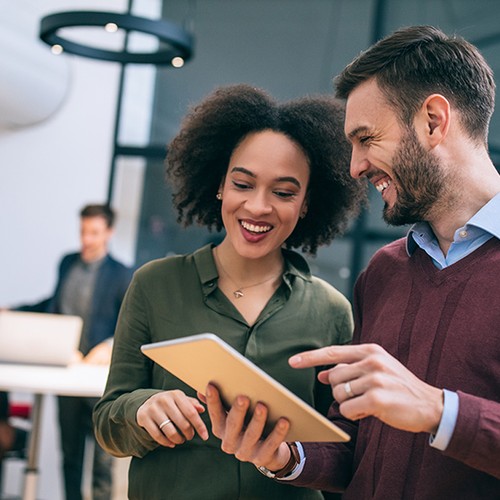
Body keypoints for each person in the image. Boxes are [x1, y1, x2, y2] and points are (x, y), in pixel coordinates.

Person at [204, 25, 500, 499]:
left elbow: (427, 410)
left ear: (433, 120)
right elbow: (357, 445)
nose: (355, 167)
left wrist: (438, 411)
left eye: (366, 138)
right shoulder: (384, 273)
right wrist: (284, 456)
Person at [93, 84, 365, 500]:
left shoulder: (331, 311)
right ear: (219, 184)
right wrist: (142, 409)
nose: (258, 207)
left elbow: (343, 453)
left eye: (284, 192)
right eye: (243, 184)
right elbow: (109, 424)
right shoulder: (155, 285)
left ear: (307, 203)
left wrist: (290, 457)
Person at [15, 204, 132, 500]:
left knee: (104, 460)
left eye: (94, 233)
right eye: (83, 231)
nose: (87, 239)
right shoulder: (67, 263)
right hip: (66, 372)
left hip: (99, 380)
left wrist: (107, 347)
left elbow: (129, 322)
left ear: (108, 233)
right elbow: (52, 304)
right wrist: (13, 311)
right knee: (70, 456)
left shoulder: (121, 274)